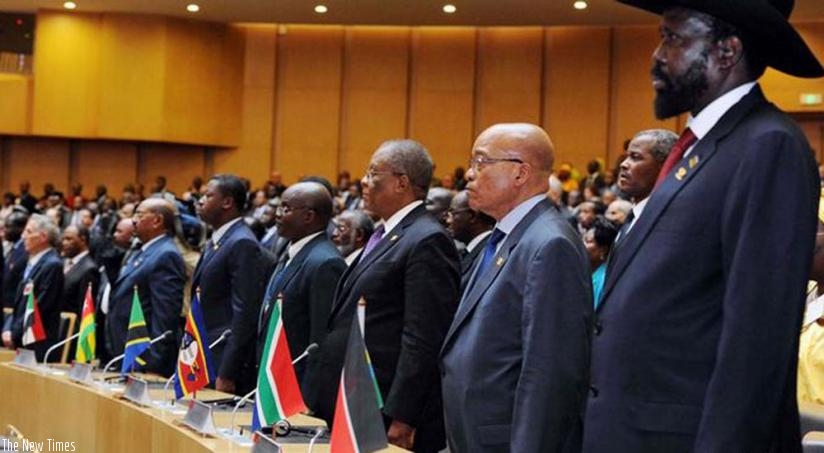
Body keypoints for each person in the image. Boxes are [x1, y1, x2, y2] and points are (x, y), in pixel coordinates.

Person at [584, 1, 823, 452]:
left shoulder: (767, 145)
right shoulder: (700, 146)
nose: (657, 55)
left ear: (727, 51)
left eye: (673, 39)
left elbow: (756, 336)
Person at [440, 123, 592, 453]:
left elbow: (549, 371)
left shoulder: (549, 244)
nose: (469, 174)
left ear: (520, 174)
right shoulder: (507, 237)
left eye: (481, 162)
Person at [315, 139, 460, 452]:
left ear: (401, 183)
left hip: (380, 408)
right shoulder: (387, 234)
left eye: (372, 173)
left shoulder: (427, 240)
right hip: (354, 398)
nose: (363, 181)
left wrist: (403, 416)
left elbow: (423, 337)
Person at [257, 182, 346, 411]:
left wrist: (307, 401)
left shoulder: (325, 262)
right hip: (274, 381)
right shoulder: (291, 251)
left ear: (309, 216)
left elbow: (320, 343)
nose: (277, 214)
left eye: (285, 208)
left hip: (296, 389)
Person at [194, 174, 273, 395]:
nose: (200, 200)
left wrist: (228, 371)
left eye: (208, 195)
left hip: (221, 359)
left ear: (227, 202)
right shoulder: (220, 239)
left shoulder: (242, 243)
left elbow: (245, 312)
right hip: (204, 353)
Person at [106, 198, 185, 377]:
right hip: (127, 349)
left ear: (157, 221)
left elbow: (165, 315)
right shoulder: (142, 251)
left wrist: (154, 364)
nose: (133, 219)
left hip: (143, 358)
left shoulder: (166, 255)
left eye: (139, 214)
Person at [2, 214, 63, 361]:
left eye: (28, 232)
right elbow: (18, 305)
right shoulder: (31, 261)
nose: (23, 236)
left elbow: (40, 307)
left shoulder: (52, 265)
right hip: (22, 338)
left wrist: (14, 333)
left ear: (43, 237)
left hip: (37, 343)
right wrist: (7, 328)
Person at [616, 129, 678, 231]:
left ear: (664, 166)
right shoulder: (632, 216)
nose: (623, 164)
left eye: (635, 157)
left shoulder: (667, 224)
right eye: (627, 157)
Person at [445, 190, 495, 293]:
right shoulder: (469, 251)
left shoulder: (488, 254)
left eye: (453, 213)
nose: (448, 221)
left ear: (472, 216)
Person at [60, 225, 99, 316]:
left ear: (83, 240)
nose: (64, 243)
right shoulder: (62, 262)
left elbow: (84, 307)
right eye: (63, 239)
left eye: (69, 239)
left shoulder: (89, 269)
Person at [583, 216, 618, 309]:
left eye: (588, 241)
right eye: (583, 239)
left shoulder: (603, 279)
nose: (582, 244)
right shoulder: (585, 270)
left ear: (603, 250)